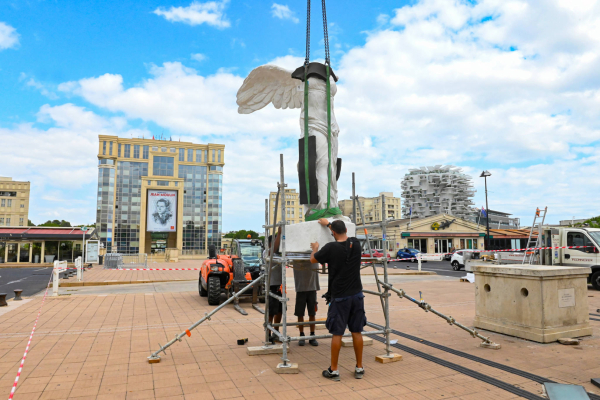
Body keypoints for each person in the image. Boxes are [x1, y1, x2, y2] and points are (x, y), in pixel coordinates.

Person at [311, 218, 365, 381]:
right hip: (357, 295)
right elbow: (340, 234)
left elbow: (313, 260)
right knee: (356, 331)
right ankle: (359, 367)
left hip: (340, 296)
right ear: (346, 231)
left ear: (332, 232)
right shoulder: (355, 244)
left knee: (337, 333)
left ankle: (334, 370)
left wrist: (315, 249)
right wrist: (329, 225)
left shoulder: (330, 248)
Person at [293, 258, 320, 346]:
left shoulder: (314, 257)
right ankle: (302, 335)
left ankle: (312, 334)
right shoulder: (297, 259)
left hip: (312, 288)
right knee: (300, 313)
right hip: (300, 289)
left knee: (312, 313)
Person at [263, 227, 283, 343]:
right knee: (271, 311)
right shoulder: (267, 252)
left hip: (280, 286)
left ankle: (276, 331)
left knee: (280, 310)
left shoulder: (279, 253)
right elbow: (273, 249)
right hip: (271, 286)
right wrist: (279, 233)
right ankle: (268, 333)